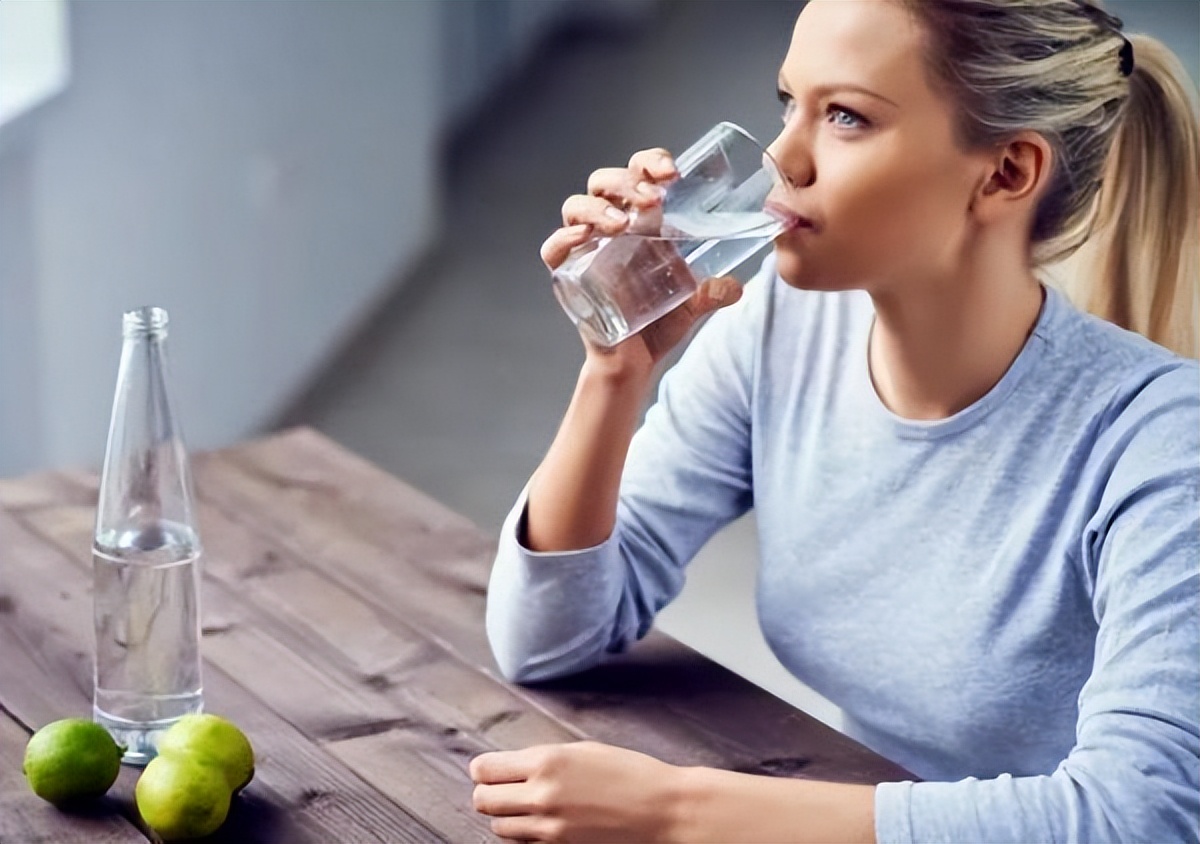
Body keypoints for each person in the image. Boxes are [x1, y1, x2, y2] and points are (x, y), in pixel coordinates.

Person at [470, 0, 1200, 841]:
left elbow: (1139, 817)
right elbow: (545, 641)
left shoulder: (1162, 440)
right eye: (790, 103)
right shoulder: (780, 327)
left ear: (1006, 173)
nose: (782, 159)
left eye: (846, 116)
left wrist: (677, 810)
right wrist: (613, 373)